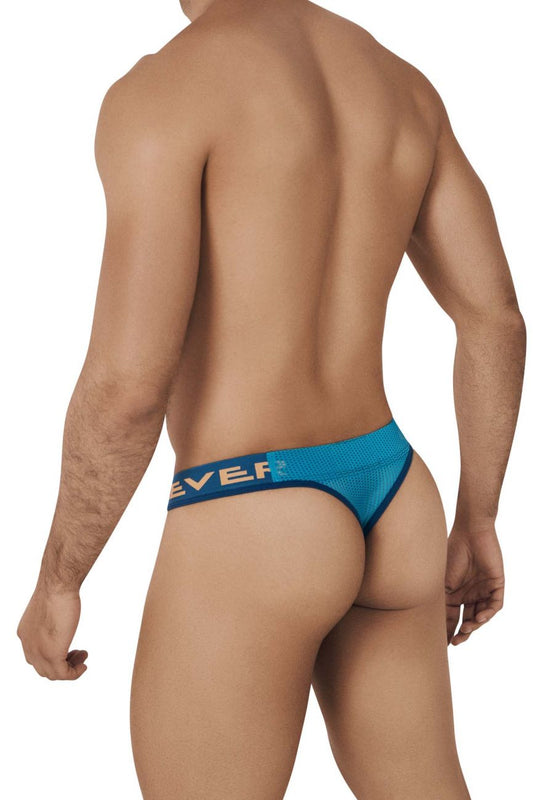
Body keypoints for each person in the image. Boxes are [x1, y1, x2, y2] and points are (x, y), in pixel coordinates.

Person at [17, 1, 526, 798]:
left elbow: (127, 386)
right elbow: (494, 319)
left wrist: (60, 578)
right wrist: (478, 515)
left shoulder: (169, 88)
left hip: (252, 509)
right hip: (394, 497)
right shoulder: (398, 84)